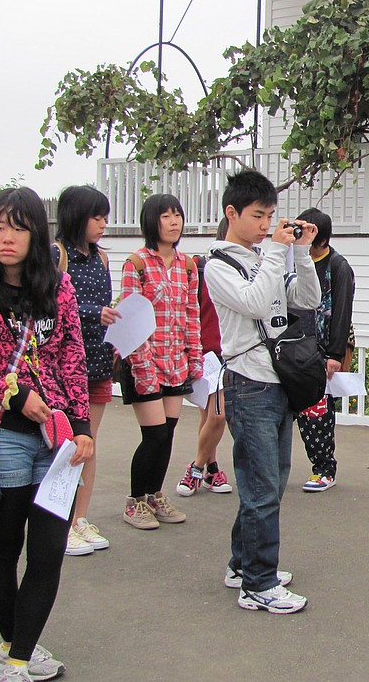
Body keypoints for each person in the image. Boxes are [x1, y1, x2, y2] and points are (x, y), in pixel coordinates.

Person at [0, 187, 94, 682]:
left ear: (37, 232)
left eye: (19, 227)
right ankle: (16, 654)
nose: (6, 237)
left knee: (49, 549)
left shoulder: (59, 288)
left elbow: (72, 359)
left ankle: (16, 658)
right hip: (1, 436)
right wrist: (8, 394)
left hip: (56, 441)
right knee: (4, 545)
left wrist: (82, 429)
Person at [203, 170, 320, 615]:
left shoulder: (262, 257)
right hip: (249, 384)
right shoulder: (218, 264)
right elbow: (254, 303)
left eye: (271, 216)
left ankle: (243, 564)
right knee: (261, 486)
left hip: (276, 384)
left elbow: (305, 299)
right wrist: (276, 250)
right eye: (258, 215)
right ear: (231, 213)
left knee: (268, 482)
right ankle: (258, 583)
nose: (266, 224)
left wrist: (302, 252)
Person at [119, 193, 202, 530]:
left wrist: (194, 357)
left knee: (167, 434)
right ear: (152, 221)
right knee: (152, 435)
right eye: (166, 216)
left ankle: (154, 495)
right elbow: (129, 317)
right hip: (145, 363)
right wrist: (141, 368)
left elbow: (191, 314)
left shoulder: (187, 265)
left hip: (176, 362)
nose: (173, 222)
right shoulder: (136, 263)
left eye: (177, 215)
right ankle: (134, 500)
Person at [52, 185, 120, 556]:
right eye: (97, 217)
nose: (103, 224)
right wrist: (94, 312)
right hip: (63, 371)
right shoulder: (55, 255)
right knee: (64, 447)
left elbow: (105, 304)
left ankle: (80, 519)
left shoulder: (102, 259)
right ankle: (58, 524)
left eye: (105, 217)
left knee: (88, 445)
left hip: (98, 363)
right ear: (77, 216)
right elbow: (49, 307)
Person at [293, 207, 355, 492]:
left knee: (319, 411)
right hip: (296, 347)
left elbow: (342, 311)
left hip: (324, 349)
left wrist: (334, 354)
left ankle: (324, 468)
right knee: (297, 410)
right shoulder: (296, 260)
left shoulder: (338, 266)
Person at [176, 219, 233, 498]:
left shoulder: (248, 269)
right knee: (216, 416)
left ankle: (209, 468)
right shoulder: (201, 268)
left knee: (211, 416)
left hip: (232, 353)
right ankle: (198, 467)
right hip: (207, 354)